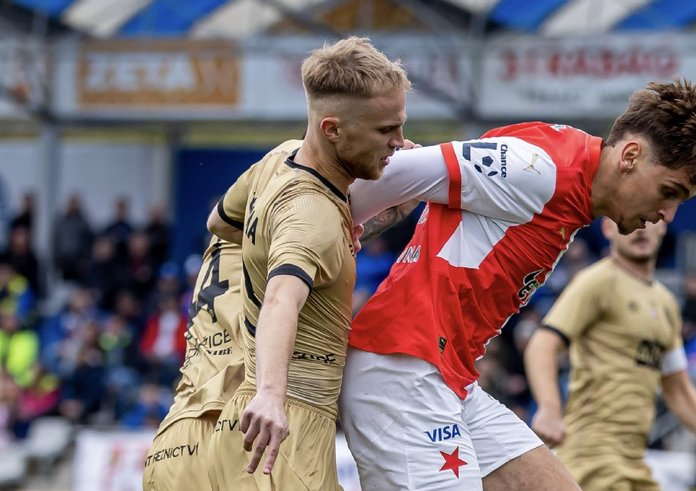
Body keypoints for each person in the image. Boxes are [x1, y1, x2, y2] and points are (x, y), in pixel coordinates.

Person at [336, 79, 696, 490]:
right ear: (630, 155)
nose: (667, 214)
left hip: (449, 378)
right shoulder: (539, 167)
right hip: (401, 372)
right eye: (669, 192)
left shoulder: (571, 174)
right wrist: (322, 238)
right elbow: (387, 174)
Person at [205, 36, 410, 490]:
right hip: (288, 426)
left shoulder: (278, 159)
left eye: (399, 126)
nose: (399, 142)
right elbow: (282, 298)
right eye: (384, 131)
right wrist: (273, 397)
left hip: (254, 418)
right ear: (332, 129)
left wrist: (362, 227)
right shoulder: (312, 214)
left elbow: (219, 222)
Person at [524, 218, 696, 491]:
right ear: (606, 229)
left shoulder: (666, 304)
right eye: (631, 220)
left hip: (635, 462)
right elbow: (542, 344)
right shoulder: (597, 281)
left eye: (651, 220)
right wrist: (550, 409)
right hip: (592, 456)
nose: (641, 228)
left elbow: (679, 391)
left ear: (664, 226)